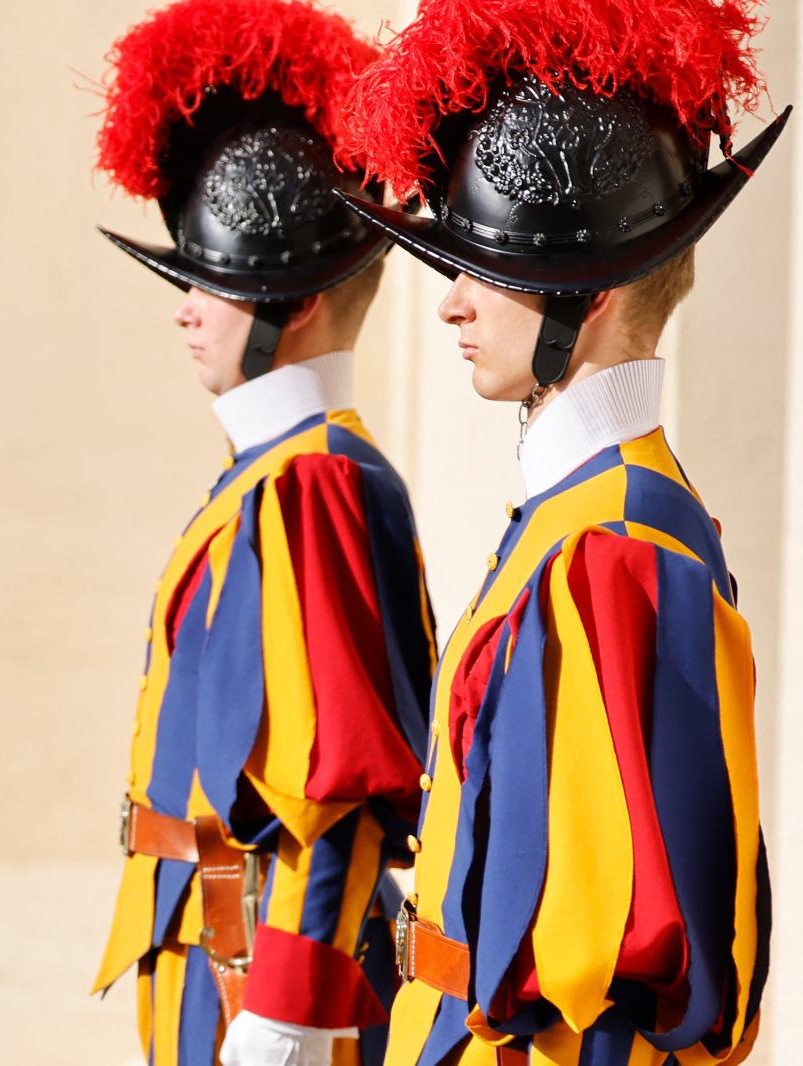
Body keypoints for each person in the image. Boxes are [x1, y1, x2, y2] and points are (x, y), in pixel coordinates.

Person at [337, 0, 785, 1062]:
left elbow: (635, 976)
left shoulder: (615, 545)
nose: (449, 305)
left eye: (478, 266)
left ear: (579, 291)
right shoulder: (575, 521)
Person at [87, 3, 439, 1064]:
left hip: (263, 978)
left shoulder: (311, 482)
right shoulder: (272, 476)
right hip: (218, 955)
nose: (185, 308)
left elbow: (335, 787)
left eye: (213, 280)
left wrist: (287, 1014)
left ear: (290, 298)